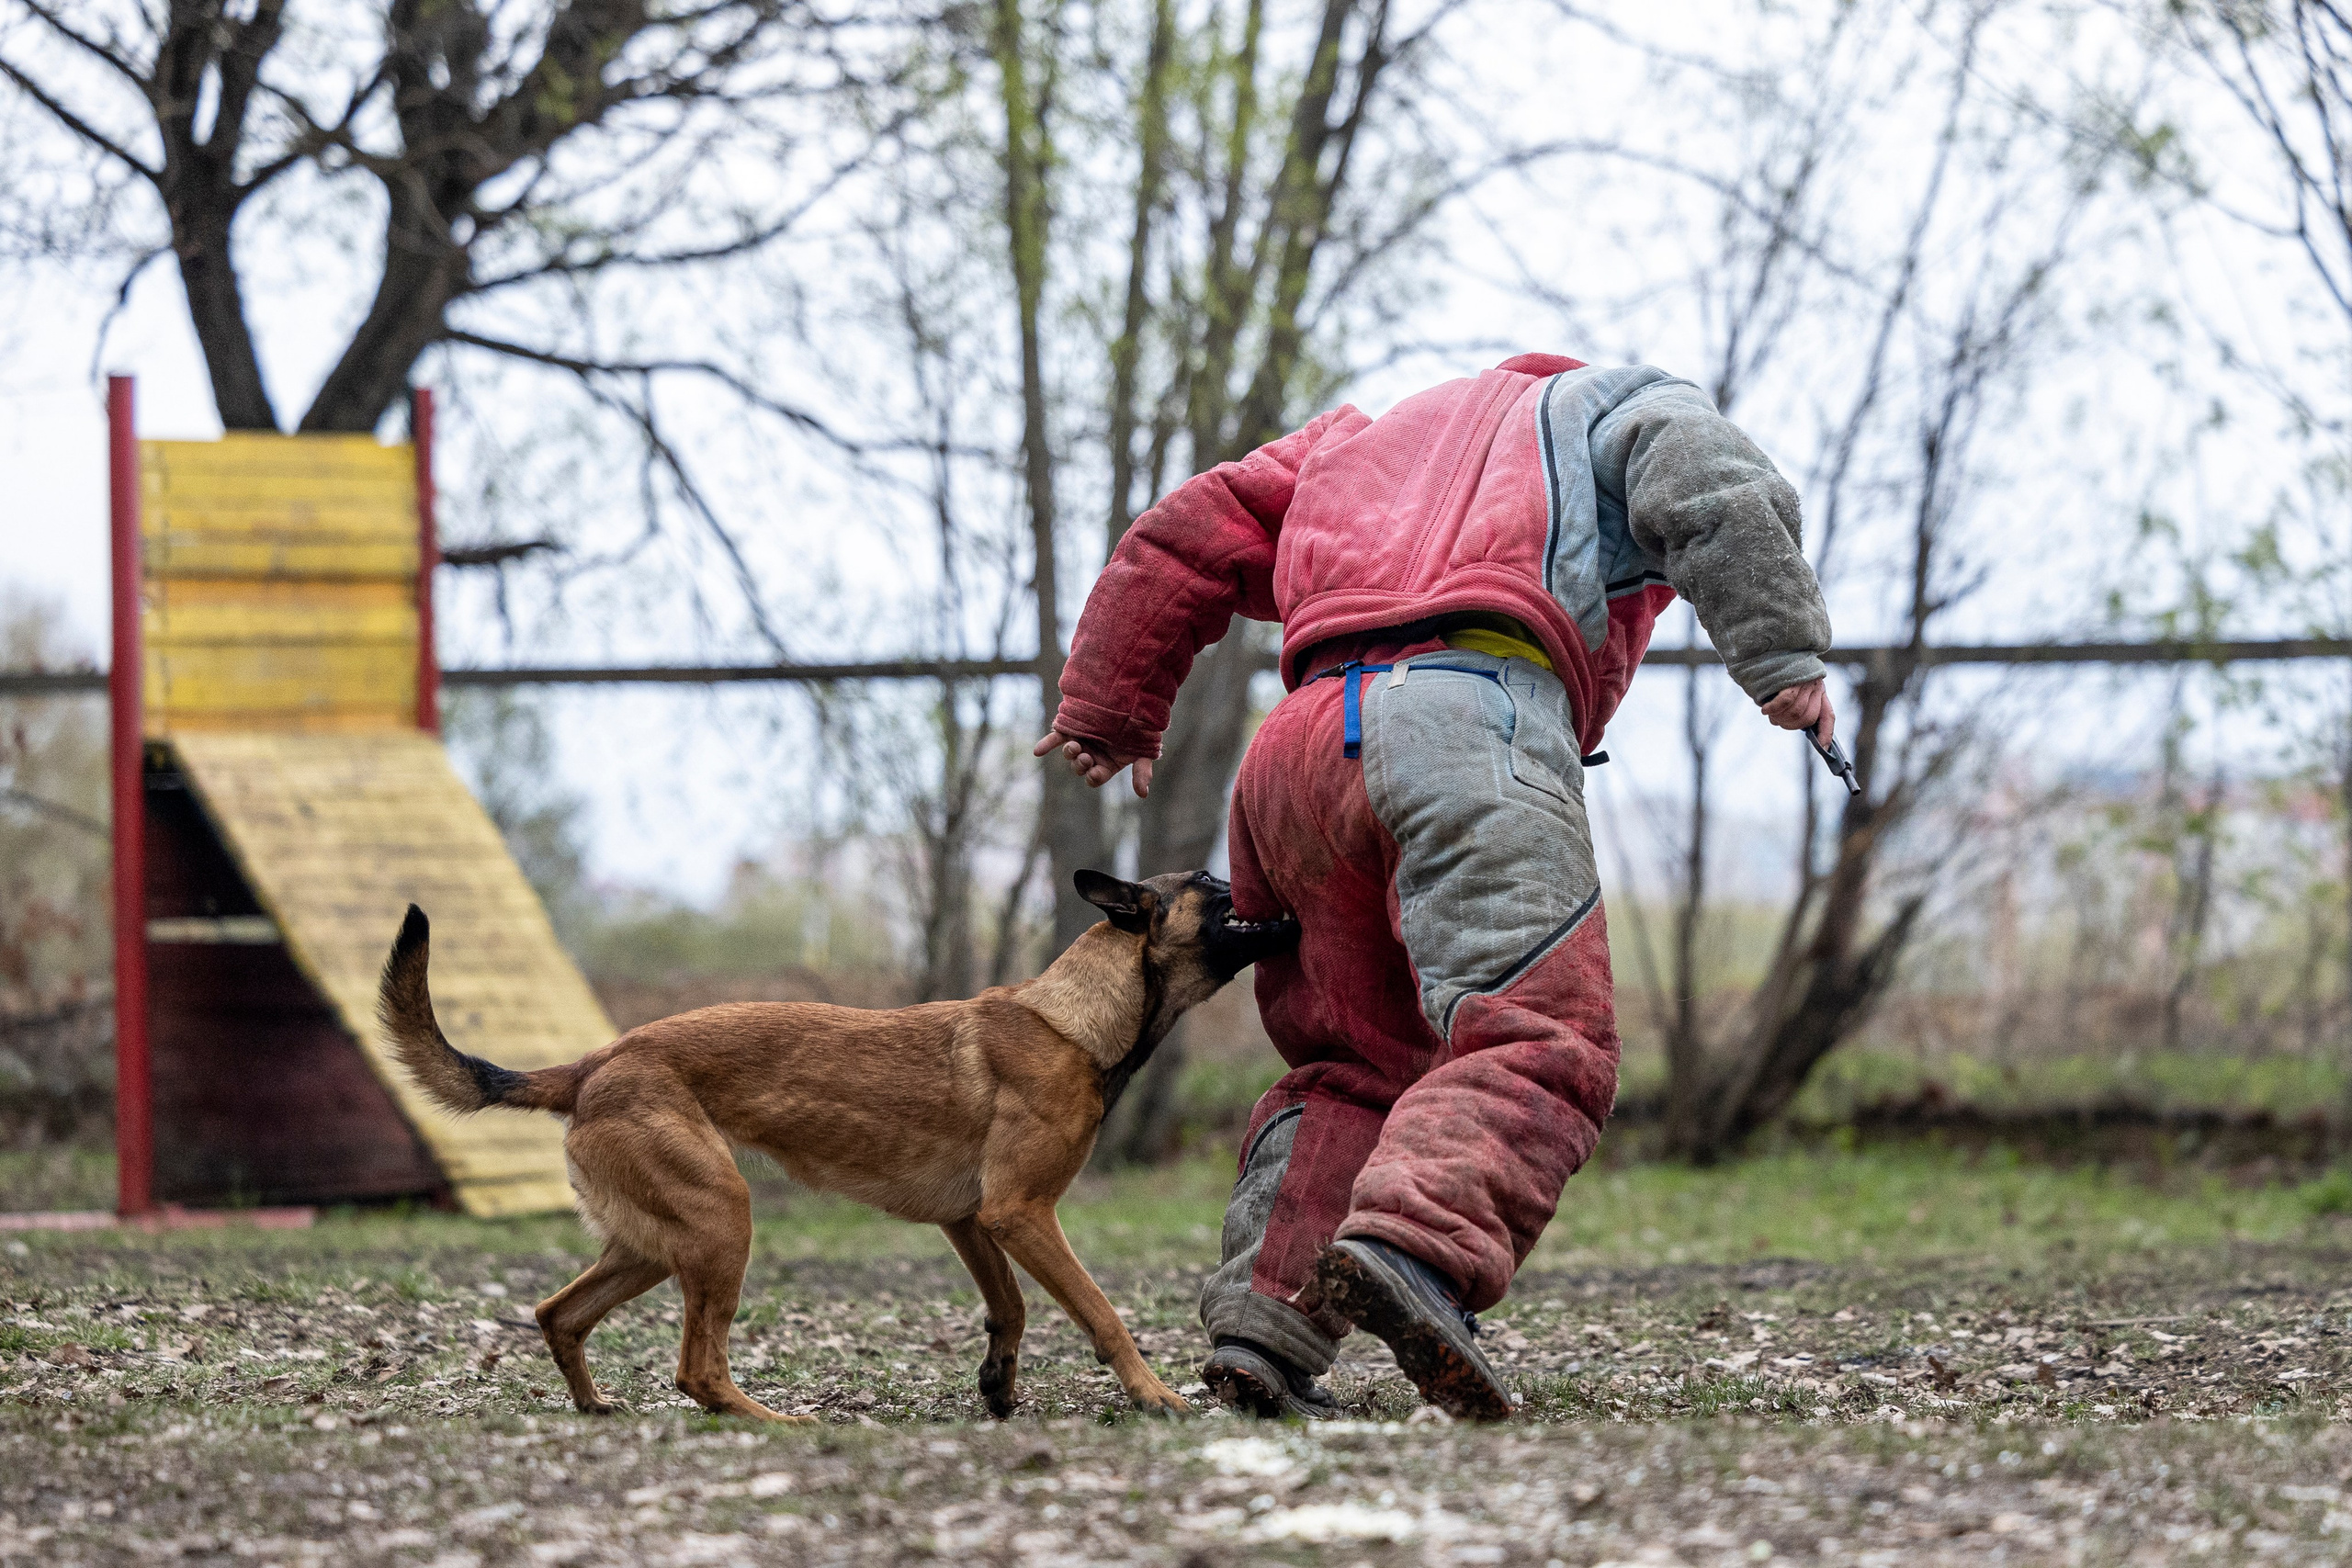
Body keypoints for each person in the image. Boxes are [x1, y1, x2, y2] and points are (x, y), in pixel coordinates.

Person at [1035, 354, 1837, 1420]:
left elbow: (1185, 529)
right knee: (1537, 1035)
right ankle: (1413, 1251)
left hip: (1298, 747)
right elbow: (1713, 480)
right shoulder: (1611, 403)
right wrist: (1781, 653)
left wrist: (1110, 704)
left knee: (1351, 1062)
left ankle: (1260, 1336)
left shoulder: (1345, 442)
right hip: (1467, 713)